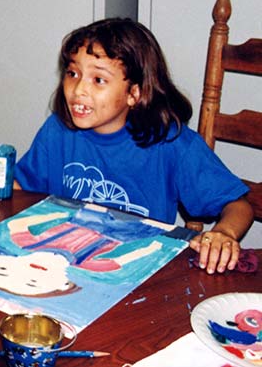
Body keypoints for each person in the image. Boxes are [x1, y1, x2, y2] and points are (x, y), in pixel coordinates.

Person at [14, 18, 253, 275]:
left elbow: (239, 207)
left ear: (134, 93)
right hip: (64, 265)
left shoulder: (171, 144)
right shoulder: (58, 130)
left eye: (98, 79)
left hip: (138, 272)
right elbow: (20, 188)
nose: (78, 89)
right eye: (73, 73)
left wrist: (223, 234)